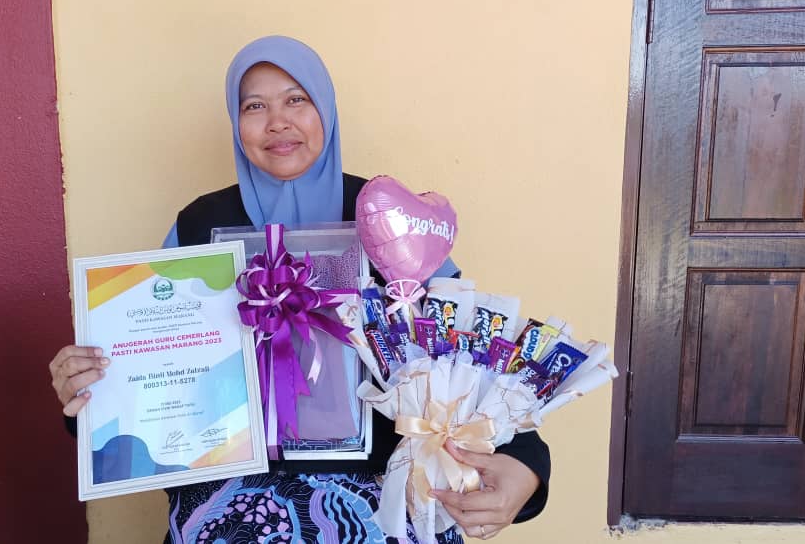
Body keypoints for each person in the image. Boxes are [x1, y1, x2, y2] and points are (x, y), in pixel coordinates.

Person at [50, 35, 550, 543]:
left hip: (379, 506)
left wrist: (527, 466)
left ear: (325, 110)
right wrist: (89, 391)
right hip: (230, 513)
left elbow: (470, 356)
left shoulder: (386, 215)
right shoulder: (200, 225)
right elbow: (154, 373)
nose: (277, 121)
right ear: (235, 122)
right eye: (254, 106)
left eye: (296, 99)